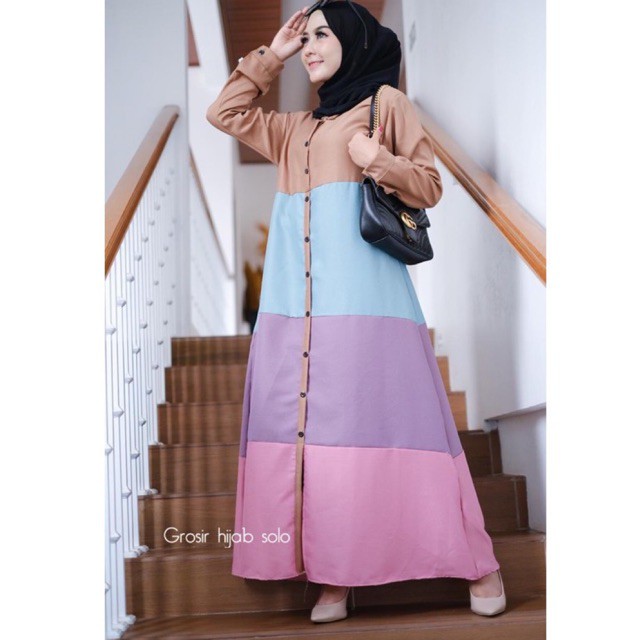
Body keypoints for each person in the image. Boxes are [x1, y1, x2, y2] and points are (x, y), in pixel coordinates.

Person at [206, 0, 506, 624]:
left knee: (404, 429)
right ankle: (335, 575)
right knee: (319, 444)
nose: (311, 47)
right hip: (293, 314)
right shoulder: (294, 129)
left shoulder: (384, 105)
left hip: (368, 305)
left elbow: (429, 185)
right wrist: (271, 56)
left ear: (354, 40)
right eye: (305, 39)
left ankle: (479, 563)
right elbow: (224, 112)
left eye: (322, 35)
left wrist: (379, 161)